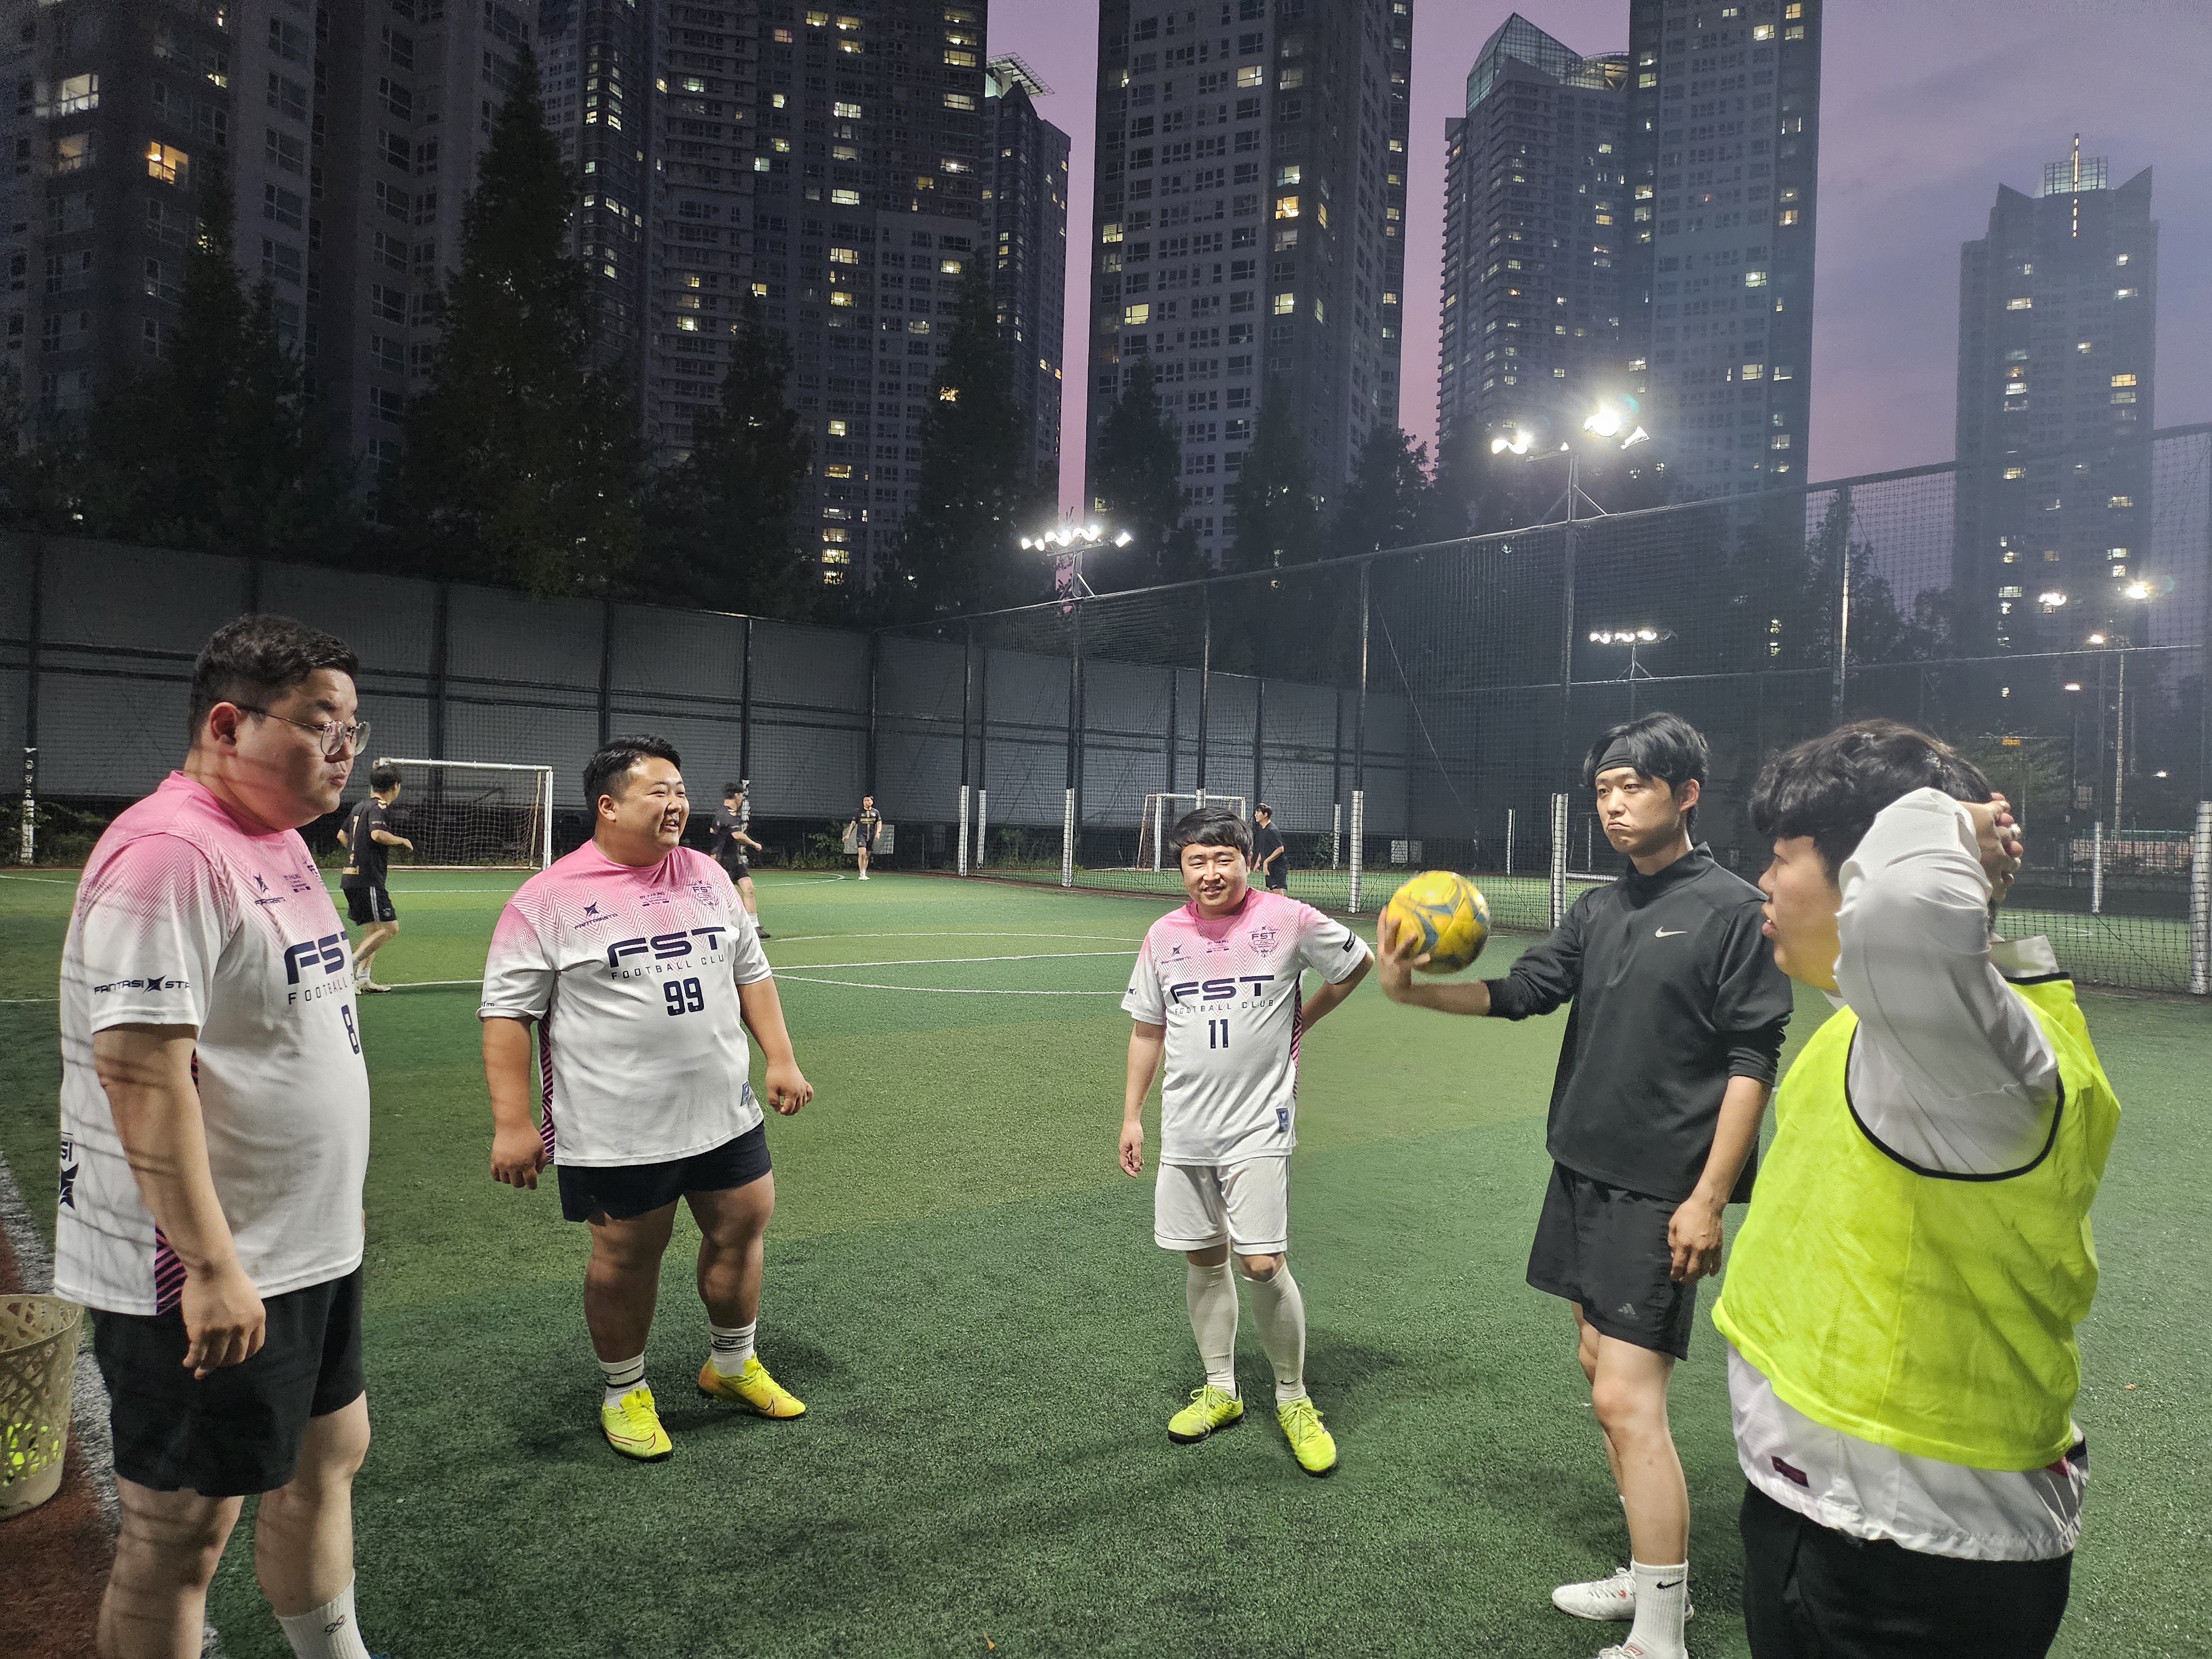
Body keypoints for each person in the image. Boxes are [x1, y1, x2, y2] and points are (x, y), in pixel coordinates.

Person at [1376, 712, 1792, 1659]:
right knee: (1598, 1371)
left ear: (1686, 793)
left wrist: (1707, 1198)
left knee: (1627, 1402)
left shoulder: (1733, 909)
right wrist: (1411, 993)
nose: (1614, 803)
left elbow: (1753, 1057)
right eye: (1604, 788)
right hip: (1582, 1173)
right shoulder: (1600, 910)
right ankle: (1651, 1577)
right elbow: (1526, 991)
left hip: (1661, 1190)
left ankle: (1660, 1636)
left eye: (1634, 785)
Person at [1717, 721, 2115, 1658]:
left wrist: (1948, 826)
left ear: (1861, 874)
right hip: (1829, 1517)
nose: (1763, 882)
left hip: (1914, 1560)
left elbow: (1903, 908)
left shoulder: (1977, 1063)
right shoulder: (1878, 1030)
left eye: (1783, 858)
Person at [55, 615, 383, 1659]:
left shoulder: (276, 839)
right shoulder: (170, 853)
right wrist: (207, 1265)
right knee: (181, 1532)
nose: (344, 748)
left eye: (353, 729)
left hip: (305, 1244)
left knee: (328, 1456)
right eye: (322, 724)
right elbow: (140, 1072)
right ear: (230, 725)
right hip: (204, 1263)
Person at [479, 734, 815, 1463]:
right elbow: (506, 1015)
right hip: (615, 1126)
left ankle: (732, 1364)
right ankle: (624, 1390)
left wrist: (781, 1058)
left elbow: (751, 972)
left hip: (724, 1111)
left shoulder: (707, 874)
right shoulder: (547, 899)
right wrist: (511, 1122)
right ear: (608, 806)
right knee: (627, 1254)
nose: (676, 804)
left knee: (743, 1225)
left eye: (680, 791)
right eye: (658, 791)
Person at [1119, 805, 1372, 1475]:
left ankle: (1292, 1397)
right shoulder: (1162, 935)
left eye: (1222, 859)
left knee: (1260, 1262)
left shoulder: (1288, 918)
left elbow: (1356, 964)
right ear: (1181, 869)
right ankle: (1222, 1390)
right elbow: (1147, 1029)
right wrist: (1131, 1116)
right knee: (1203, 1260)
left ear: (1245, 860)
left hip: (1261, 1123)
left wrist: (1302, 1019)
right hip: (1186, 1126)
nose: (1210, 873)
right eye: (1196, 861)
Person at [336, 763, 411, 992]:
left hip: (351, 877)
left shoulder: (360, 806)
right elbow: (377, 834)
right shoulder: (380, 806)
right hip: (367, 879)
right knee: (390, 928)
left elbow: (341, 835)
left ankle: (363, 979)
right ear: (396, 786)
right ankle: (347, 968)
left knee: (373, 930)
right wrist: (402, 841)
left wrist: (356, 853)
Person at [707, 782, 770, 938]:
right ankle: (718, 926)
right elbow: (737, 835)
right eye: (741, 796)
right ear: (737, 795)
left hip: (735, 861)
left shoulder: (720, 814)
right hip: (723, 863)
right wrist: (755, 844)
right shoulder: (729, 815)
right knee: (723, 898)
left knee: (748, 889)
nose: (742, 799)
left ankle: (754, 927)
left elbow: (712, 830)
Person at [1250, 803, 1287, 893]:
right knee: (1270, 893)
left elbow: (1280, 849)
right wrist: (1258, 862)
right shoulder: (1262, 829)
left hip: (1277, 868)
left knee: (1277, 895)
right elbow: (1264, 848)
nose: (1255, 815)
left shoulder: (1272, 830)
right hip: (1270, 868)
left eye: (1258, 812)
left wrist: (1266, 862)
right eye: (1255, 813)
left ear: (1265, 815)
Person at [851, 793, 880, 879]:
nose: (867, 802)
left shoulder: (876, 812)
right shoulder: (859, 812)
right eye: (865, 801)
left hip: (871, 836)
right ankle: (861, 874)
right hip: (861, 835)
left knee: (867, 855)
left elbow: (879, 823)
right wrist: (848, 835)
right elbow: (853, 823)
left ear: (872, 802)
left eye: (868, 801)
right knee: (862, 854)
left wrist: (878, 833)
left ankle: (864, 873)